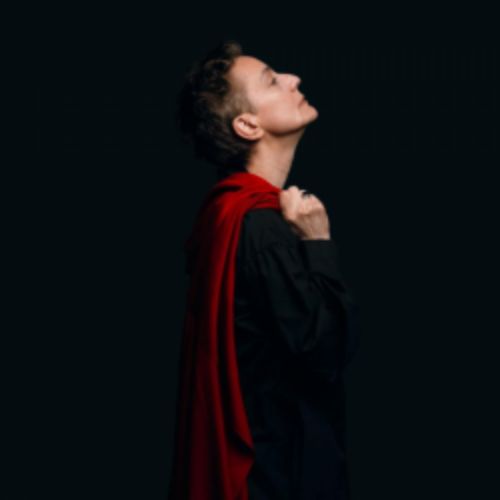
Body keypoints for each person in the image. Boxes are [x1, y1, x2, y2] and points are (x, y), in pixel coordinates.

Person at [169, 40, 360, 500]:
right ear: (248, 124)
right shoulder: (262, 227)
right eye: (273, 80)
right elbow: (326, 354)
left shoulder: (228, 214)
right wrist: (318, 244)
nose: (294, 79)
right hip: (278, 474)